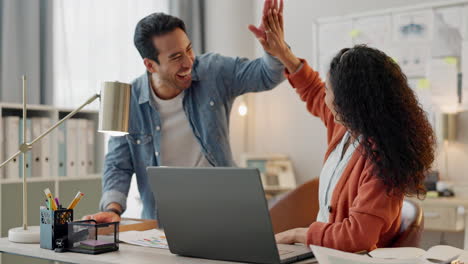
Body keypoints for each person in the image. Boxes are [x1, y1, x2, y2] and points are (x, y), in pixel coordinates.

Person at [83, 0, 292, 223]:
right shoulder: (128, 101)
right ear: (150, 65)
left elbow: (266, 75)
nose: (188, 62)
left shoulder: (213, 71)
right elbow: (118, 165)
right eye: (175, 57)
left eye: (189, 49)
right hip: (162, 221)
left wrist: (275, 50)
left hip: (224, 213)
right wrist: (113, 209)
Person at [259, 8, 435, 252]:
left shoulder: (383, 161)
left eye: (329, 90)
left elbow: (357, 238)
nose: (325, 95)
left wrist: (297, 234)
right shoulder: (346, 127)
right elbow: (312, 89)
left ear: (348, 102)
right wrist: (283, 53)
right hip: (324, 253)